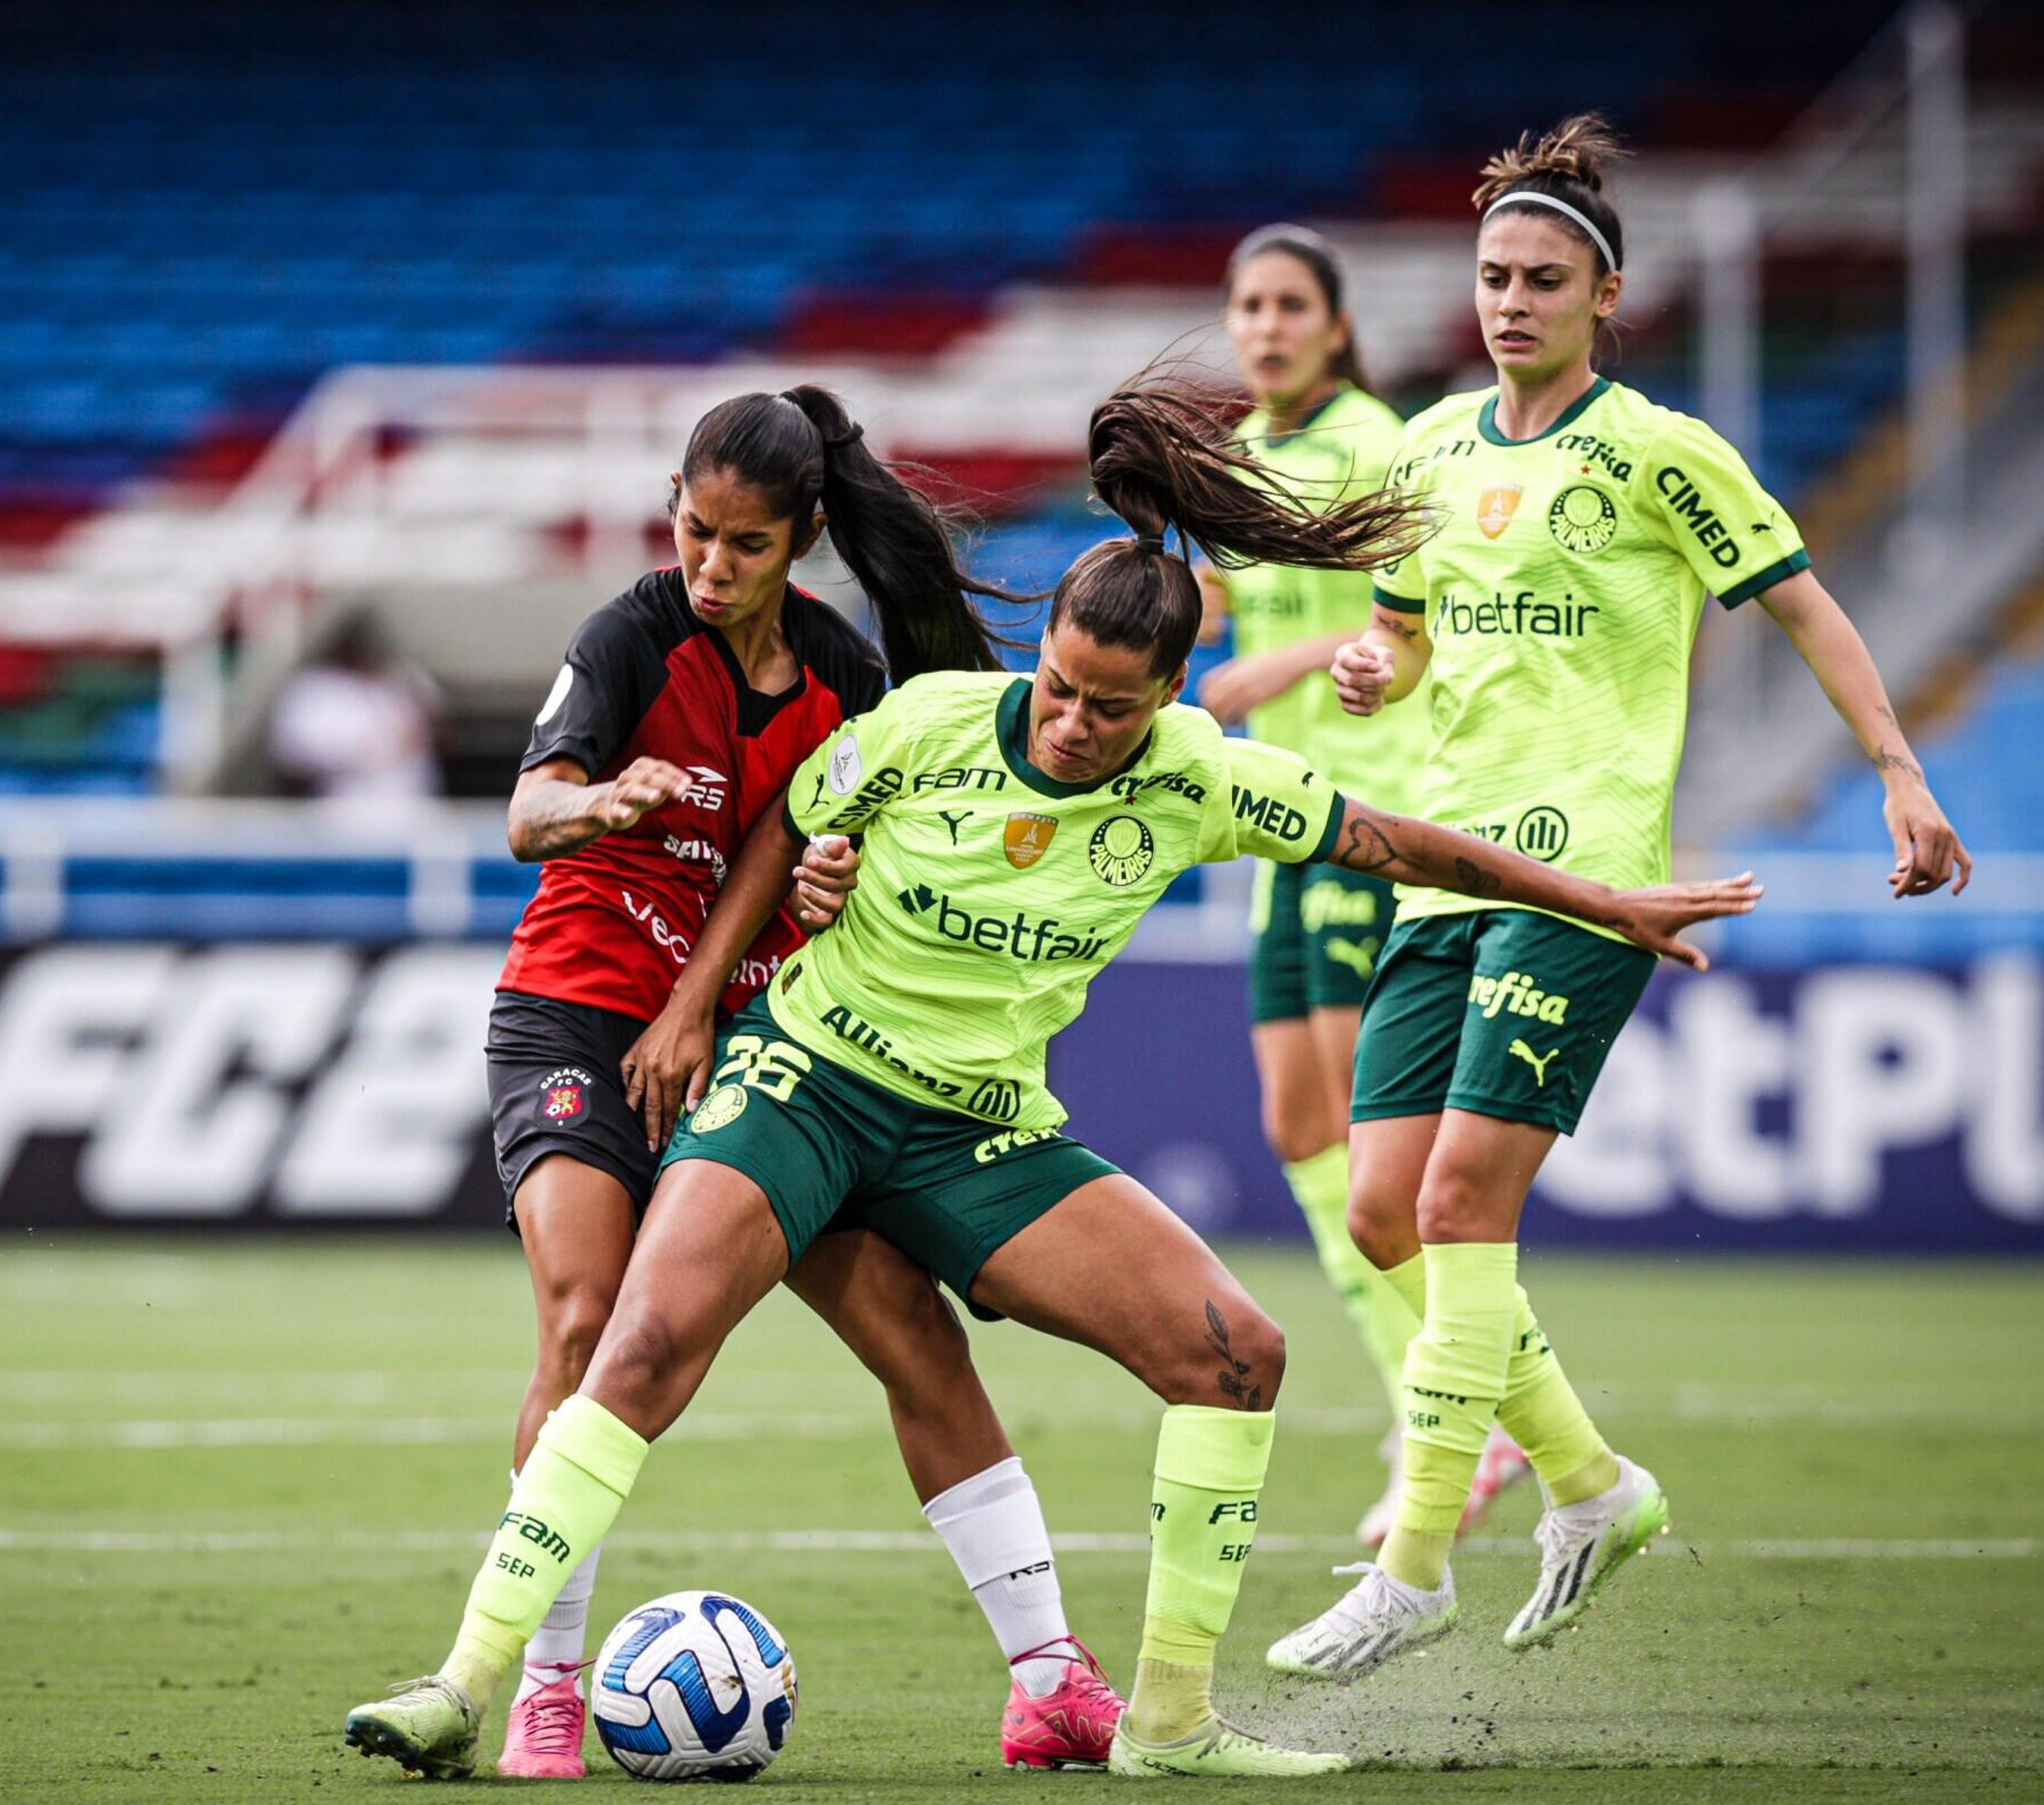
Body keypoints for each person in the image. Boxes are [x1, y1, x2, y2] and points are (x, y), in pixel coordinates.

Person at [348, 370, 1763, 1779]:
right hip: (807, 1078)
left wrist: (1600, 900)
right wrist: (708, 994)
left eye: (1110, 709)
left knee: (1236, 1356)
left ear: (1168, 700)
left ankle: (1162, 1720)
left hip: (978, 1130)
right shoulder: (929, 720)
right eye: (1061, 689)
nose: (1072, 726)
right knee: (636, 1341)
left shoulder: (1203, 777)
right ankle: (475, 1681)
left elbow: (1397, 840)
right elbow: (789, 823)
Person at [1263, 115, 1972, 1683]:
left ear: (1607, 295)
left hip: (1588, 881)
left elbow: (1806, 603)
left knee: (1458, 1206)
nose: (1511, 300)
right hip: (1446, 872)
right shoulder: (1426, 450)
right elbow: (1397, 639)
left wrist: (1899, 768)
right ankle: (1597, 1483)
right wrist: (1379, 667)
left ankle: (1414, 1563)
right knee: (1385, 1213)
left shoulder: (1661, 451)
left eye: (1543, 278)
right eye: (1493, 276)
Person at [480, 385, 1123, 1777]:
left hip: (764, 1047)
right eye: (694, 531)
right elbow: (531, 809)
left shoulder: (846, 678)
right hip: (584, 1017)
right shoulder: (634, 632)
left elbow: (859, 837)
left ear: (804, 538)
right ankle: (541, 1678)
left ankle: (1051, 1672)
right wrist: (602, 801)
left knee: (911, 1331)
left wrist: (833, 877)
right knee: (589, 1316)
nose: (710, 567)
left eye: (745, 546)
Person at [1200, 223, 1527, 1548]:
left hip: (1376, 818)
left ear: (1335, 328)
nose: (1266, 327)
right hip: (1286, 824)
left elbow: (1426, 608)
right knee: (1294, 1127)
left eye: (1290, 306)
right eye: (1248, 306)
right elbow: (1232, 608)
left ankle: (1470, 1405)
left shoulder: (1385, 446)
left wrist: (1287, 664)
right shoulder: (1242, 457)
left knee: (1359, 1133)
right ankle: (1435, 1394)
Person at [264, 608, 442, 799]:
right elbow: (293, 756)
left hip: (409, 804)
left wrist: (417, 730)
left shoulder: (403, 678)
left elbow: (440, 734)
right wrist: (358, 755)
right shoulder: (313, 689)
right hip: (342, 808)